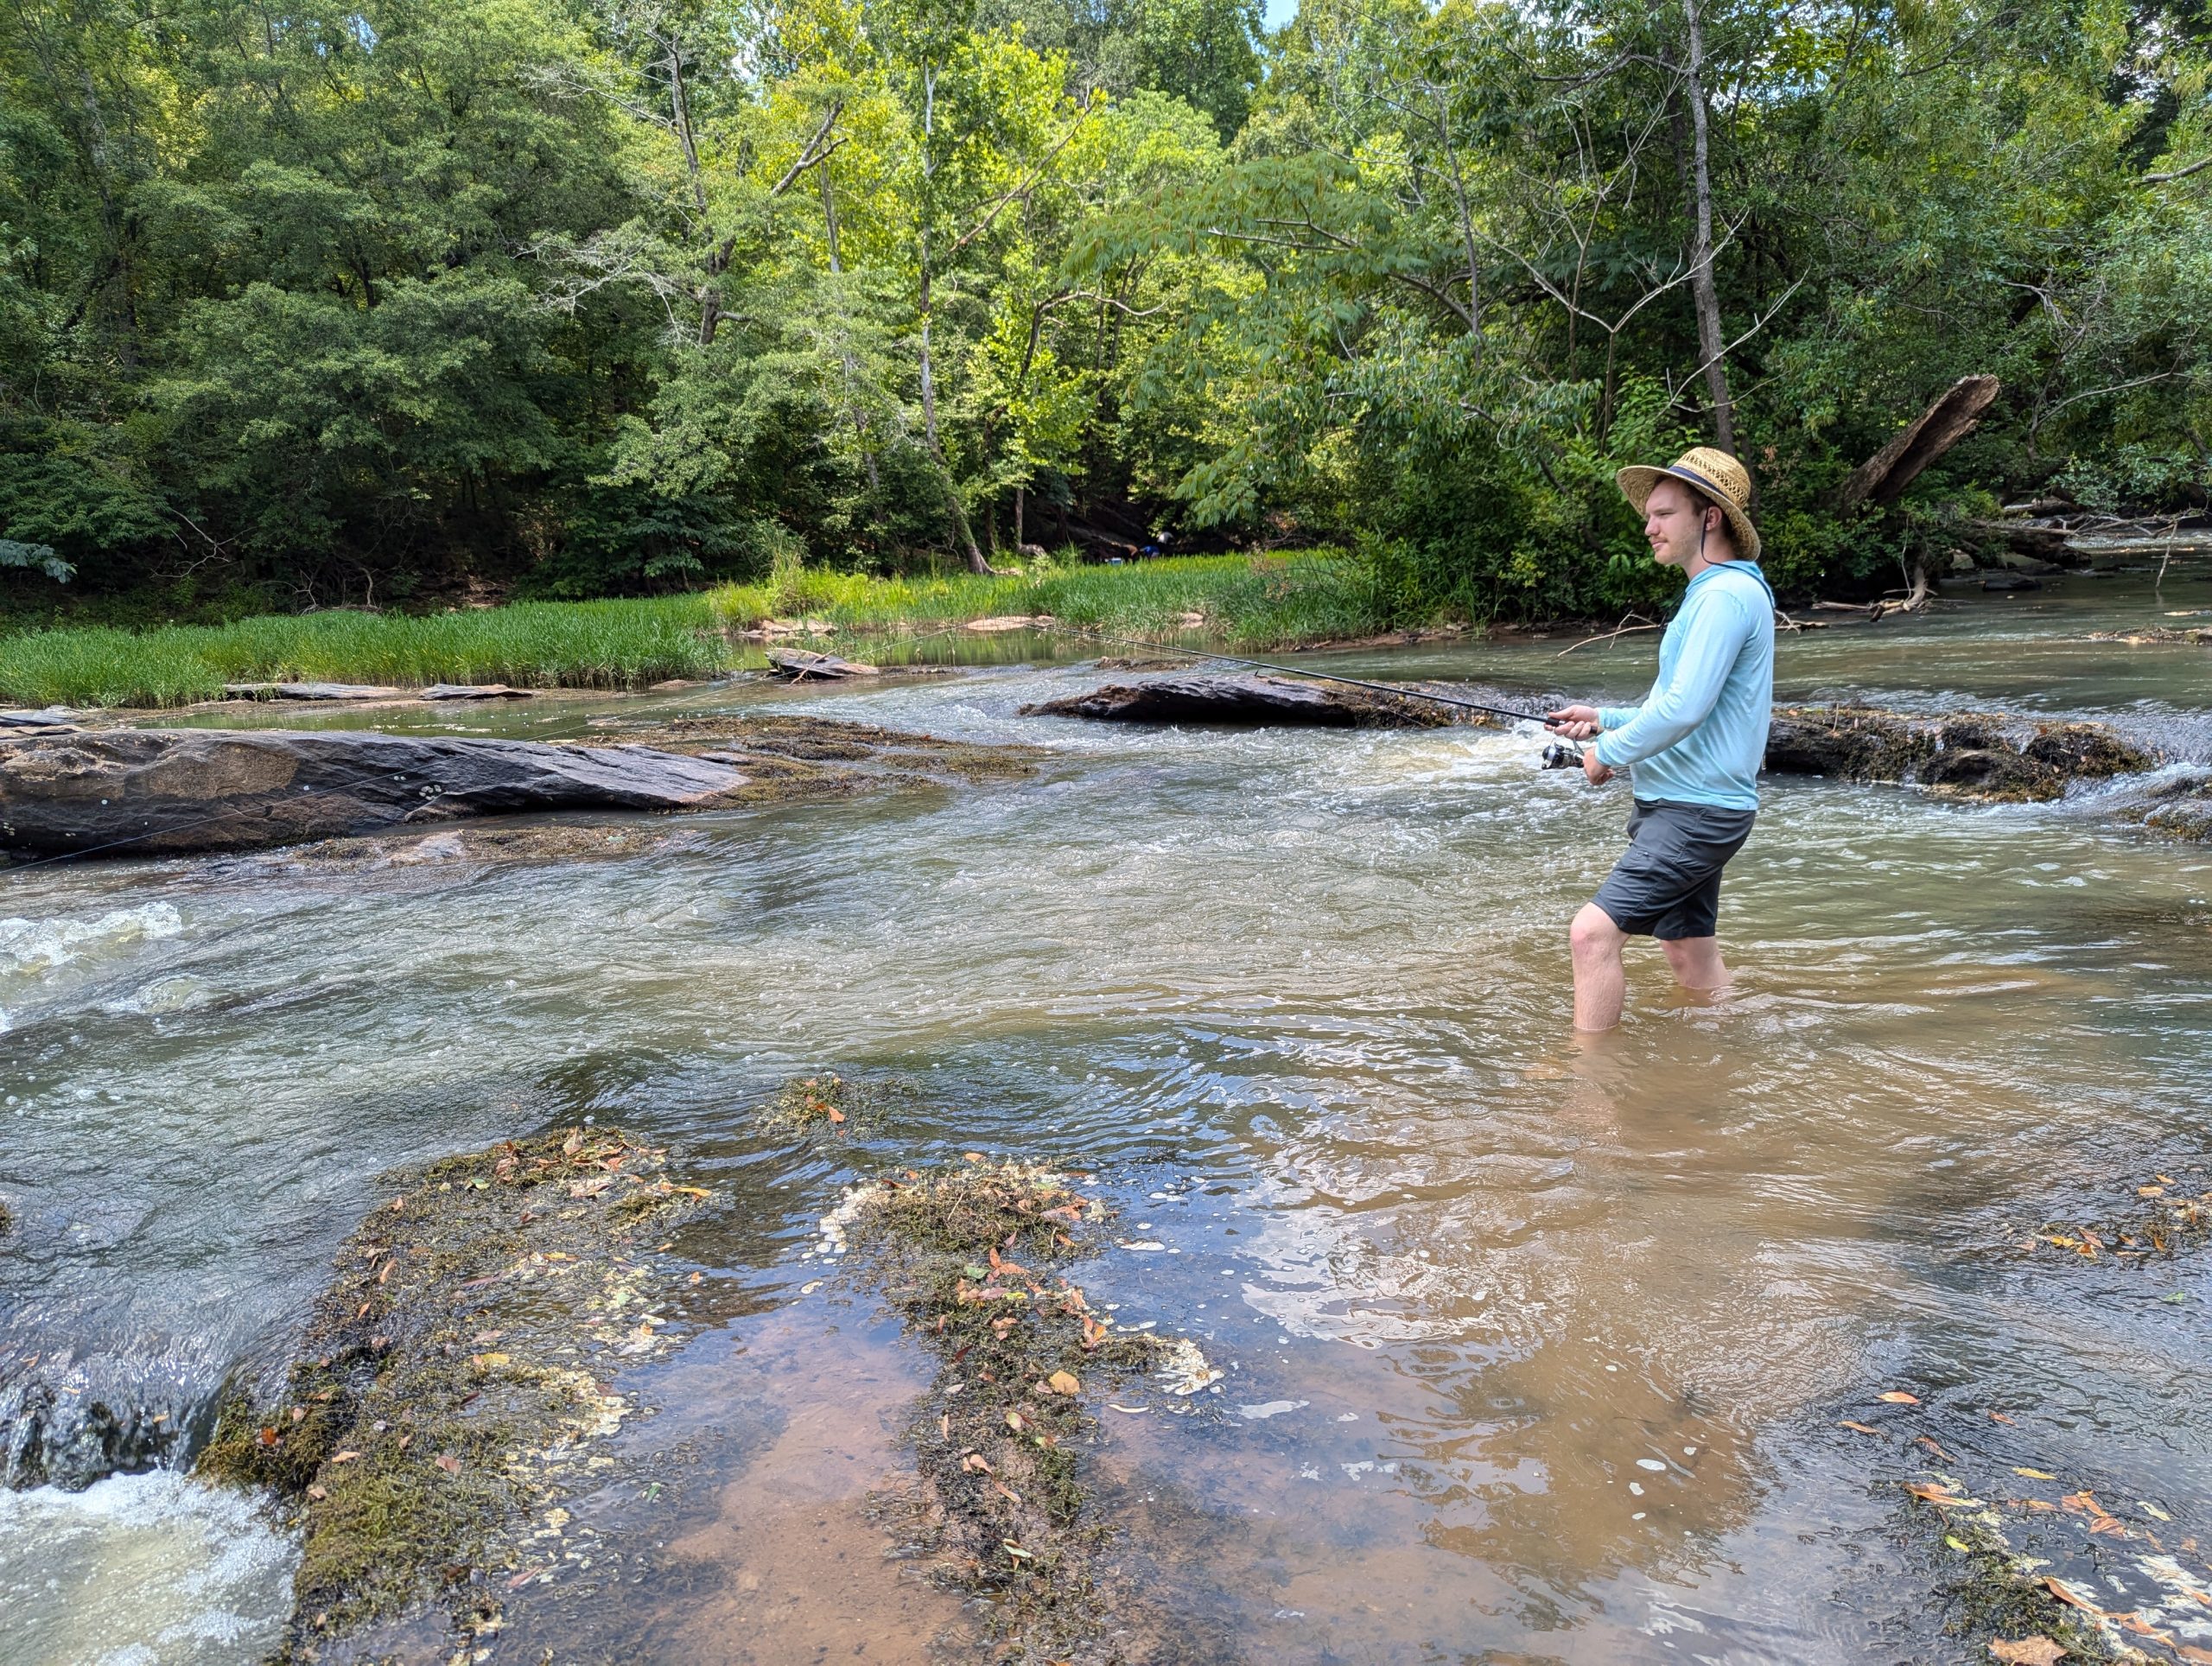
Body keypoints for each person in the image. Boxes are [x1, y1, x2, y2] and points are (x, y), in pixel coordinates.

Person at [1546, 447, 1776, 1032]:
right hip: (1694, 805)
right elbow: (1672, 704)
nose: (1648, 528)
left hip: (1696, 810)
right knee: (1688, 950)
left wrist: (1605, 755)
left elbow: (1685, 709)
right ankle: (1739, 1047)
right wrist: (1603, 719)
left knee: (1591, 936)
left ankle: (1588, 1085)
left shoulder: (1722, 597)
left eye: (1664, 514)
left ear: (1710, 517)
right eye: (1649, 515)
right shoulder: (1715, 593)